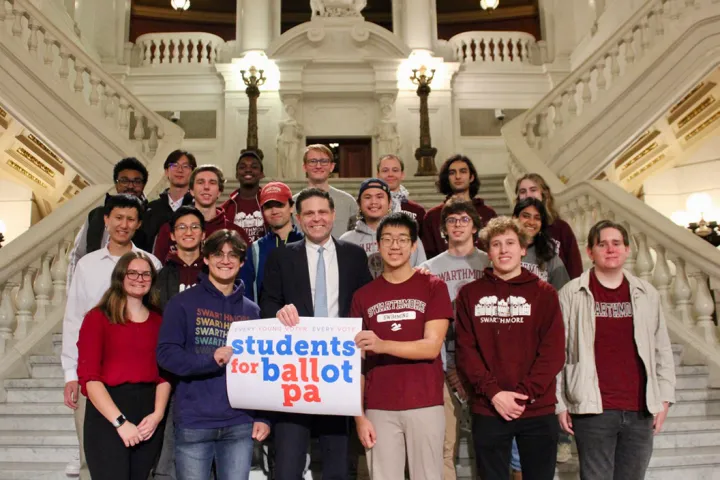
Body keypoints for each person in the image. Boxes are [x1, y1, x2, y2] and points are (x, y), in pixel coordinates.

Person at [261, 188, 372, 480]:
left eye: (322, 212)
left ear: (334, 216)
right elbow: (268, 303)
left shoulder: (354, 256)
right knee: (287, 465)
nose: (316, 219)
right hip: (296, 373)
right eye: (308, 213)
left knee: (337, 465)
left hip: (339, 371)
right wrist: (278, 313)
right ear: (298, 218)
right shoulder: (281, 257)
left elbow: (367, 304)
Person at [557, 220, 675, 480]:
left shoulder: (647, 294)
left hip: (640, 408)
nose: (610, 249)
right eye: (602, 244)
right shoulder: (571, 293)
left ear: (627, 249)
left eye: (616, 243)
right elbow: (558, 353)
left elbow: (661, 349)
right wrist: (560, 403)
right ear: (590, 252)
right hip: (592, 409)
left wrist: (664, 397)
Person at [61, 194, 162, 480]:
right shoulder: (87, 265)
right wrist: (70, 372)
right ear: (106, 220)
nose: (123, 224)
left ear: (138, 224)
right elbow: (73, 319)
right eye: (118, 217)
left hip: (136, 382)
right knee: (92, 459)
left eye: (131, 219)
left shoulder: (151, 263)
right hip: (93, 378)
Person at [455, 216, 564, 480]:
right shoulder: (469, 294)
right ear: (488, 251)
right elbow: (466, 352)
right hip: (489, 408)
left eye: (510, 243)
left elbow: (553, 352)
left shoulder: (545, 293)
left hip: (537, 409)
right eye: (496, 244)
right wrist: (494, 394)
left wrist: (524, 395)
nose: (504, 250)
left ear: (523, 248)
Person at [157, 229, 270, 480]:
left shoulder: (252, 311)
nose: (225, 260)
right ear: (206, 259)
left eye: (233, 255)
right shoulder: (182, 303)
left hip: (239, 422)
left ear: (242, 262)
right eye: (218, 254)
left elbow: (262, 369)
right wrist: (210, 360)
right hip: (194, 422)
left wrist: (263, 417)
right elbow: (166, 355)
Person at [351, 212, 452, 480]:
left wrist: (382, 344)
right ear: (378, 244)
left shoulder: (433, 287)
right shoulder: (363, 296)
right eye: (387, 239)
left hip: (425, 402)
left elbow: (431, 347)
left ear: (414, 245)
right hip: (378, 406)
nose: (395, 246)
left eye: (402, 239)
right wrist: (359, 417)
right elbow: (356, 364)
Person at [77, 251, 169, 480]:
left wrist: (157, 415)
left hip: (148, 413)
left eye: (146, 274)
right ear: (120, 276)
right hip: (108, 413)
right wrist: (120, 422)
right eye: (133, 273)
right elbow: (90, 378)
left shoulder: (159, 320)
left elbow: (165, 375)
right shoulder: (98, 318)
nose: (140, 278)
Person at [419, 198, 490, 480]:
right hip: (442, 362)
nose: (458, 225)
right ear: (443, 230)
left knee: (487, 444)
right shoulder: (428, 268)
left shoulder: (490, 262)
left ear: (475, 226)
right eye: (451, 220)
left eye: (464, 219)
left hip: (485, 364)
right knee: (445, 444)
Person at [150, 206, 205, 480]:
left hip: (207, 366)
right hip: (171, 369)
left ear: (203, 233)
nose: (188, 232)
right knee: (169, 443)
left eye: (194, 226)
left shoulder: (215, 272)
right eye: (182, 227)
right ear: (172, 234)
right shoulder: (161, 276)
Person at [67, 157, 150, 291]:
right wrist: (73, 291)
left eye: (136, 181)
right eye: (124, 180)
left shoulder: (152, 215)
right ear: (116, 184)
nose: (130, 186)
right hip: (95, 288)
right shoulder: (97, 215)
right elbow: (77, 255)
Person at [154, 165, 250, 263]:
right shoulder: (169, 229)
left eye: (212, 183)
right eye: (200, 182)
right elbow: (158, 269)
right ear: (191, 191)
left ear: (219, 192)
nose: (206, 187)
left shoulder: (236, 232)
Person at [340, 178, 427, 278]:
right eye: (367, 197)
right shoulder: (346, 241)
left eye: (379, 197)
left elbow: (421, 272)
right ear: (359, 204)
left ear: (390, 202)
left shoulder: (407, 236)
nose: (374, 202)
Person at [422, 154, 497, 259]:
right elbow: (428, 255)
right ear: (447, 178)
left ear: (471, 177)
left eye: (463, 171)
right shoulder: (433, 216)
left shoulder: (488, 214)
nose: (458, 176)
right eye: (452, 173)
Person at [239, 181, 303, 303]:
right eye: (268, 206)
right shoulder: (255, 249)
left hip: (303, 320)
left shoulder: (306, 243)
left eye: (279, 205)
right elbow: (246, 296)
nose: (274, 211)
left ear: (291, 207)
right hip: (265, 320)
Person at [515, 173, 583, 278]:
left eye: (533, 190)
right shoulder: (511, 230)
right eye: (523, 191)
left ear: (544, 194)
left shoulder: (561, 228)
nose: (528, 195)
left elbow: (575, 268)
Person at [292, 144, 358, 238]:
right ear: (304, 167)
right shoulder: (292, 203)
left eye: (324, 161)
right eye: (313, 161)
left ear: (332, 166)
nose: (318, 166)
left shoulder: (348, 201)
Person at [142, 150, 196, 251]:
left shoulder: (197, 208)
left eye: (185, 166)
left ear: (192, 172)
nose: (180, 170)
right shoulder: (151, 208)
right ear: (166, 171)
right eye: (174, 165)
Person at [513, 198, 570, 291]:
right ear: (514, 218)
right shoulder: (504, 250)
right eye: (526, 216)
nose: (531, 222)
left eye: (537, 218)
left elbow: (564, 294)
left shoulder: (550, 256)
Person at [222, 151, 266, 243]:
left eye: (254, 167)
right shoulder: (226, 208)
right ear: (237, 174)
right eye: (242, 167)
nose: (248, 170)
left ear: (262, 174)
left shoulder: (269, 203)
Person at [376, 154, 426, 233]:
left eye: (395, 170)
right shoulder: (370, 208)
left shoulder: (417, 211)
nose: (390, 174)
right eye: (385, 170)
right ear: (378, 175)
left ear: (402, 175)